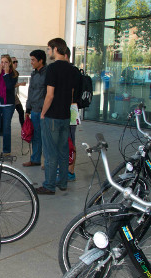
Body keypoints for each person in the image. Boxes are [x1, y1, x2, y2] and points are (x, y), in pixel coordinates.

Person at [36, 38, 78, 195]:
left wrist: (43, 113)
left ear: (55, 49)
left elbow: (50, 95)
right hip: (65, 116)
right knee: (62, 151)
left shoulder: (52, 69)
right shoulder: (72, 69)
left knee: (50, 153)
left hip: (52, 116)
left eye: (48, 49)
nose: (48, 52)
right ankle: (62, 182)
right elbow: (72, 93)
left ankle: (49, 185)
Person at [22, 50, 47, 168]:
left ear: (40, 61)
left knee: (46, 137)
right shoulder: (33, 74)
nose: (31, 62)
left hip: (45, 111)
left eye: (33, 60)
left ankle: (47, 162)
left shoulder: (48, 74)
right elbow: (30, 91)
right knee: (36, 136)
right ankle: (35, 159)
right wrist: (27, 109)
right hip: (35, 110)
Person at [65, 47, 81, 182]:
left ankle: (70, 170)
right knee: (69, 140)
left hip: (70, 110)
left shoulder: (71, 71)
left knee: (70, 141)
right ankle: (68, 168)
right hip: (72, 109)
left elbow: (71, 91)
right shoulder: (74, 71)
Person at [11, 57, 26, 127]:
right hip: (9, 96)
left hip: (14, 96)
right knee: (8, 115)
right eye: (14, 62)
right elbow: (10, 85)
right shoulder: (8, 73)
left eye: (16, 62)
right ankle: (2, 130)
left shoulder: (16, 73)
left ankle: (23, 127)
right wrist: (20, 84)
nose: (16, 63)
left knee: (21, 111)